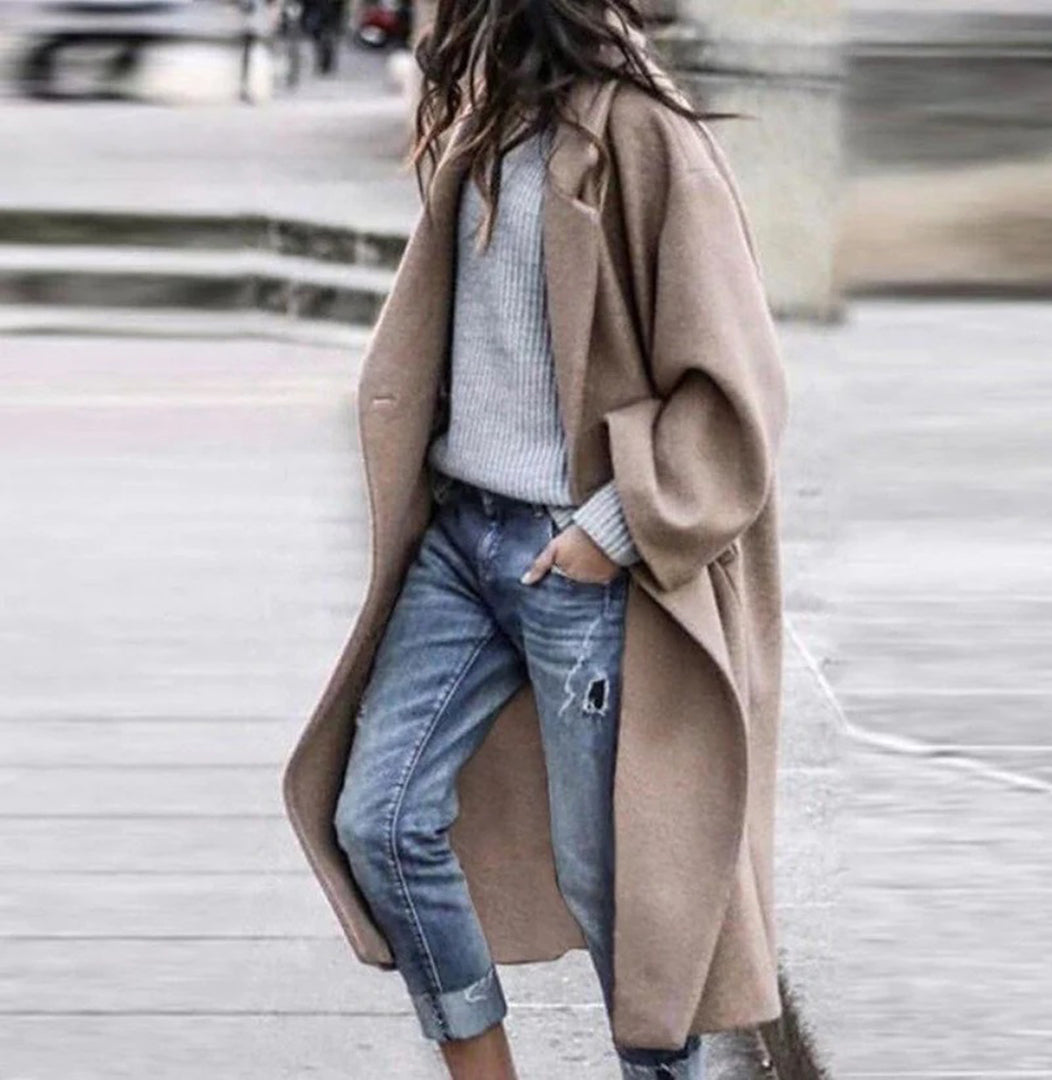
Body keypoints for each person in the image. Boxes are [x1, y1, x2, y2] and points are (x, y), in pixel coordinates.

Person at [283, 2, 790, 1078]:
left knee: (627, 891)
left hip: (577, 560)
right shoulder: (489, 111)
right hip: (464, 542)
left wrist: (611, 529)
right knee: (379, 818)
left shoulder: (644, 134)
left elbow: (738, 382)